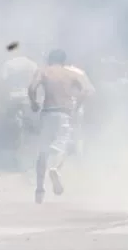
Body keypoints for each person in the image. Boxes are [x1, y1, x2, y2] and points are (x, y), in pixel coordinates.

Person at [28, 49, 95, 204]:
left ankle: (39, 189)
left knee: (43, 150)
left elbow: (32, 88)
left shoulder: (43, 71)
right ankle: (56, 169)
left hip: (47, 112)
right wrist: (77, 105)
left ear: (49, 59)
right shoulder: (71, 74)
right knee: (63, 146)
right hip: (64, 112)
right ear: (64, 60)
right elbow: (87, 90)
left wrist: (33, 103)